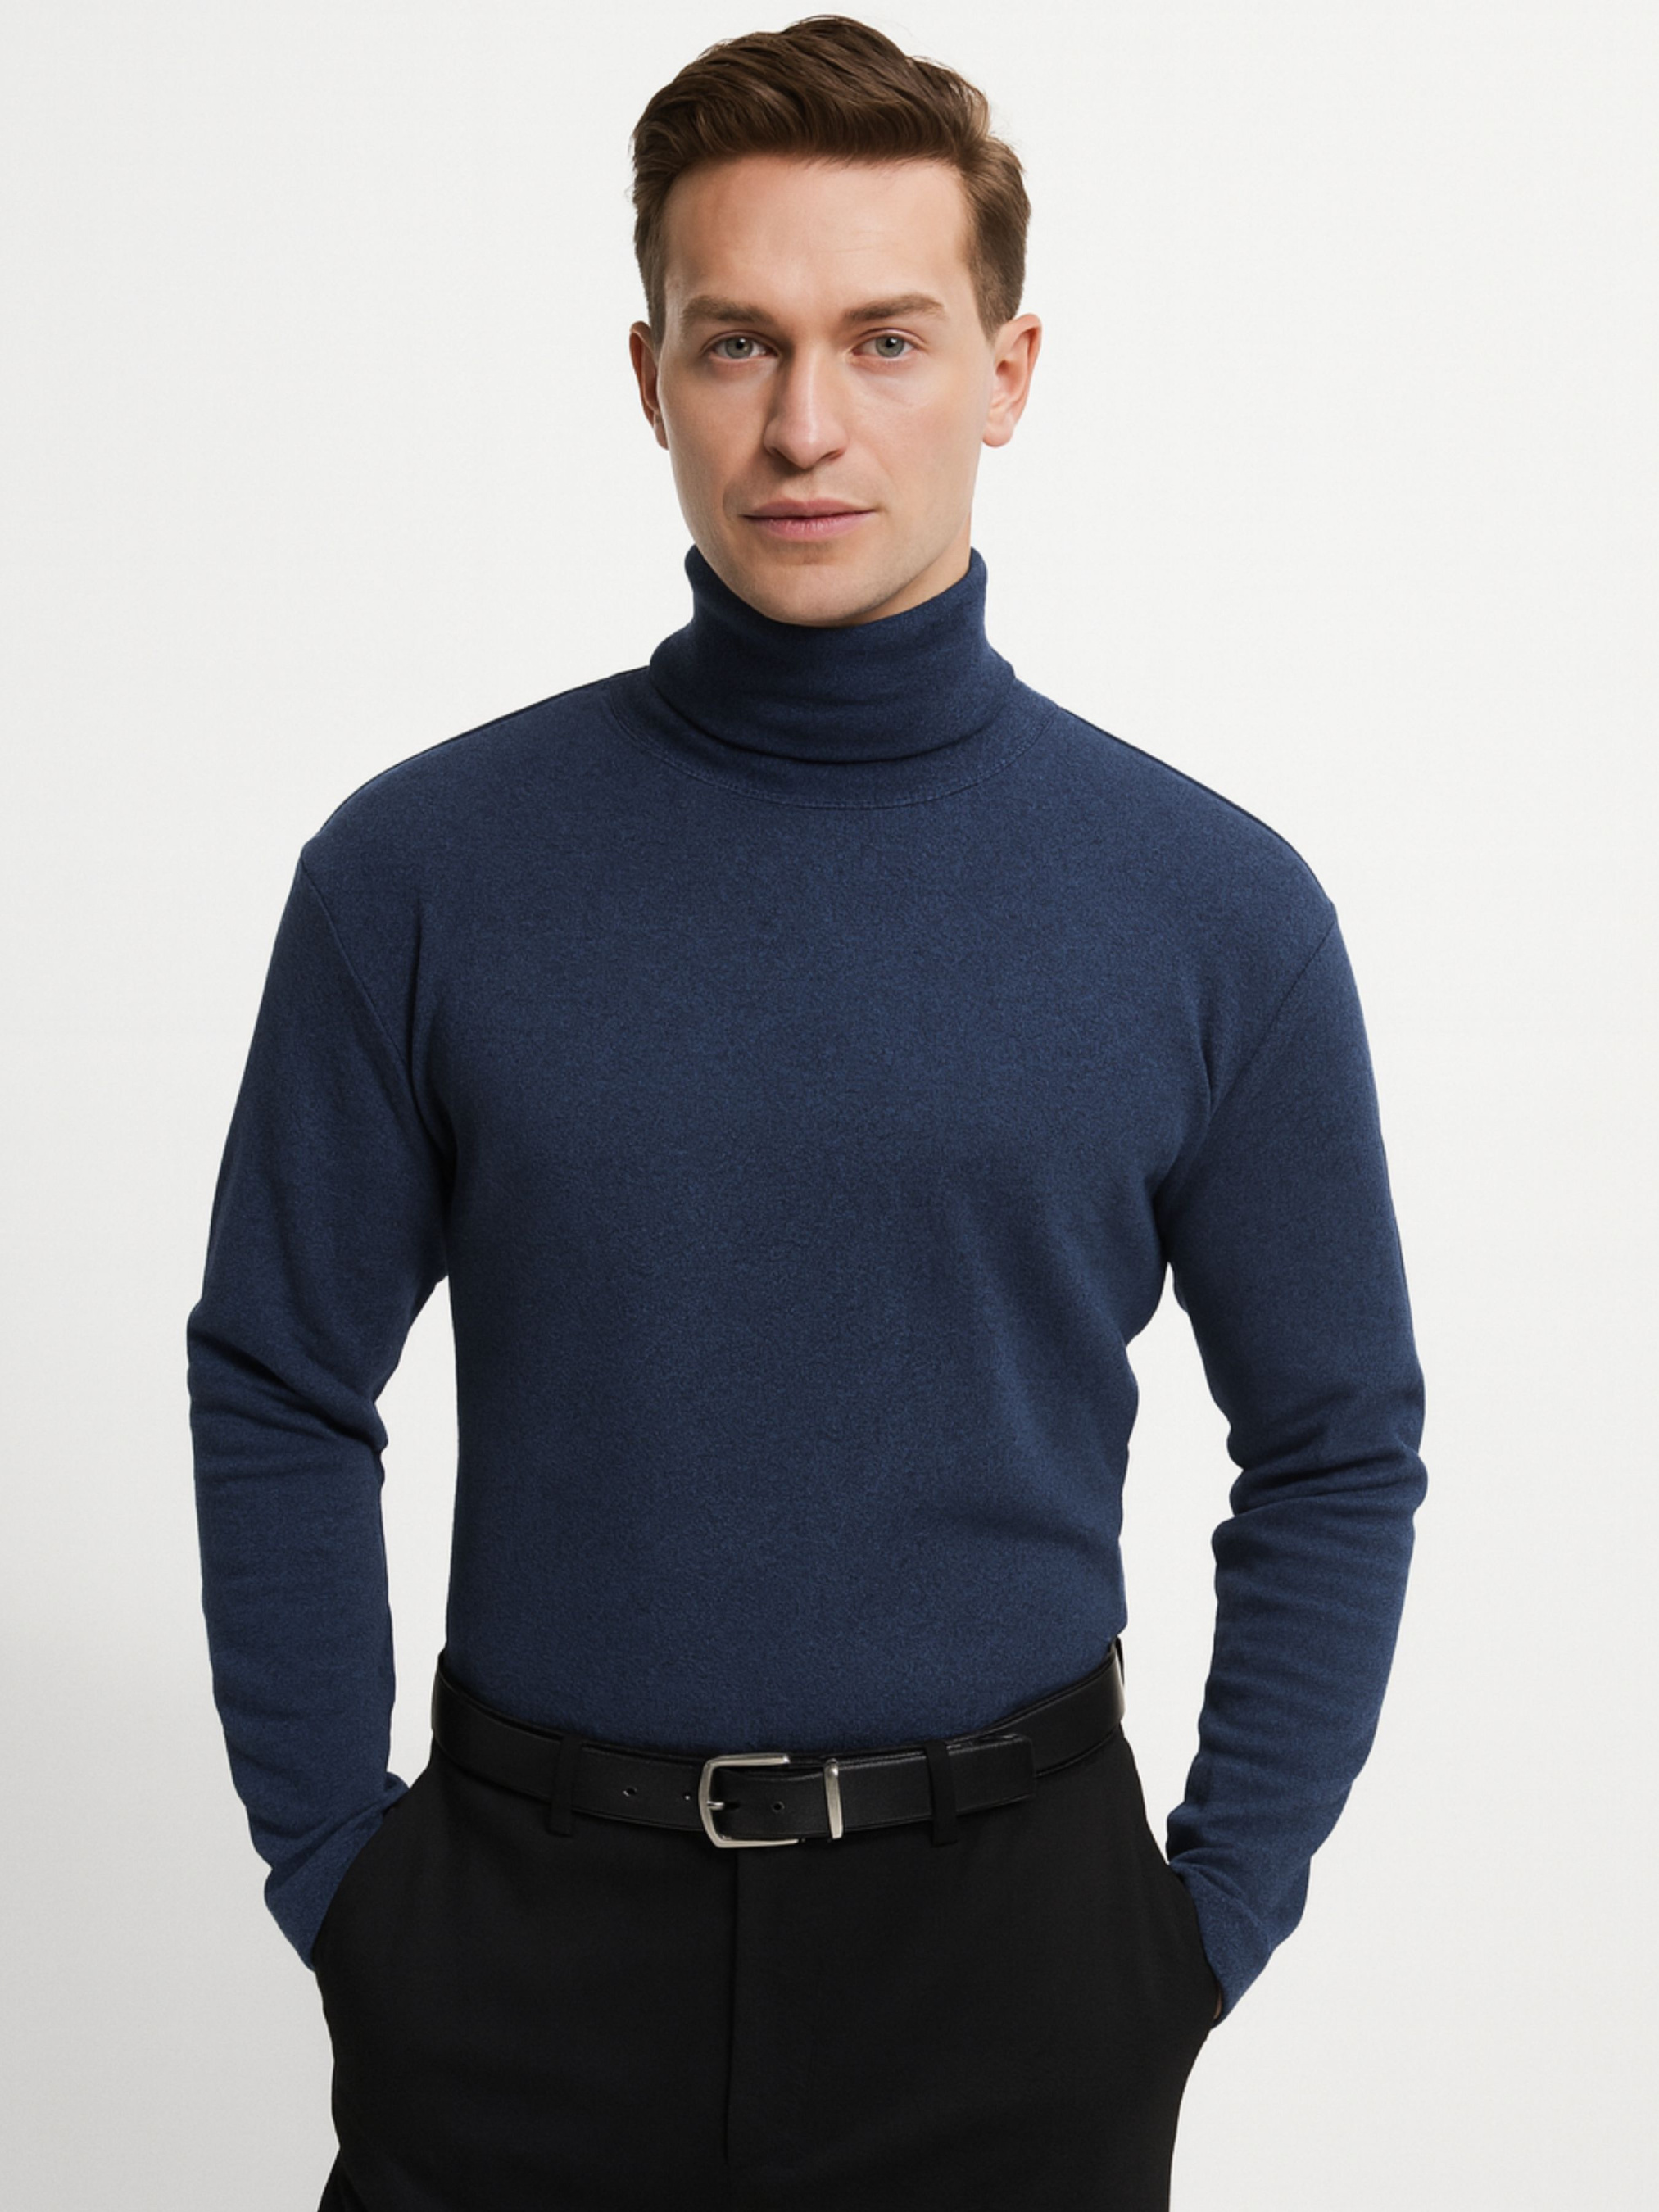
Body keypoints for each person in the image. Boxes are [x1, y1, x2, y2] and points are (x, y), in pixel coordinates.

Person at [186, 16, 1426, 2210]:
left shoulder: (1211, 912)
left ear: (1008, 373)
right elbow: (280, 1376)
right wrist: (338, 1878)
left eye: (886, 340)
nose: (805, 424)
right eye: (738, 341)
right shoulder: (419, 876)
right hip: (516, 1951)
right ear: (648, 375)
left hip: (1010, 1961)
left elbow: (1335, 1440)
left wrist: (1203, 1920)